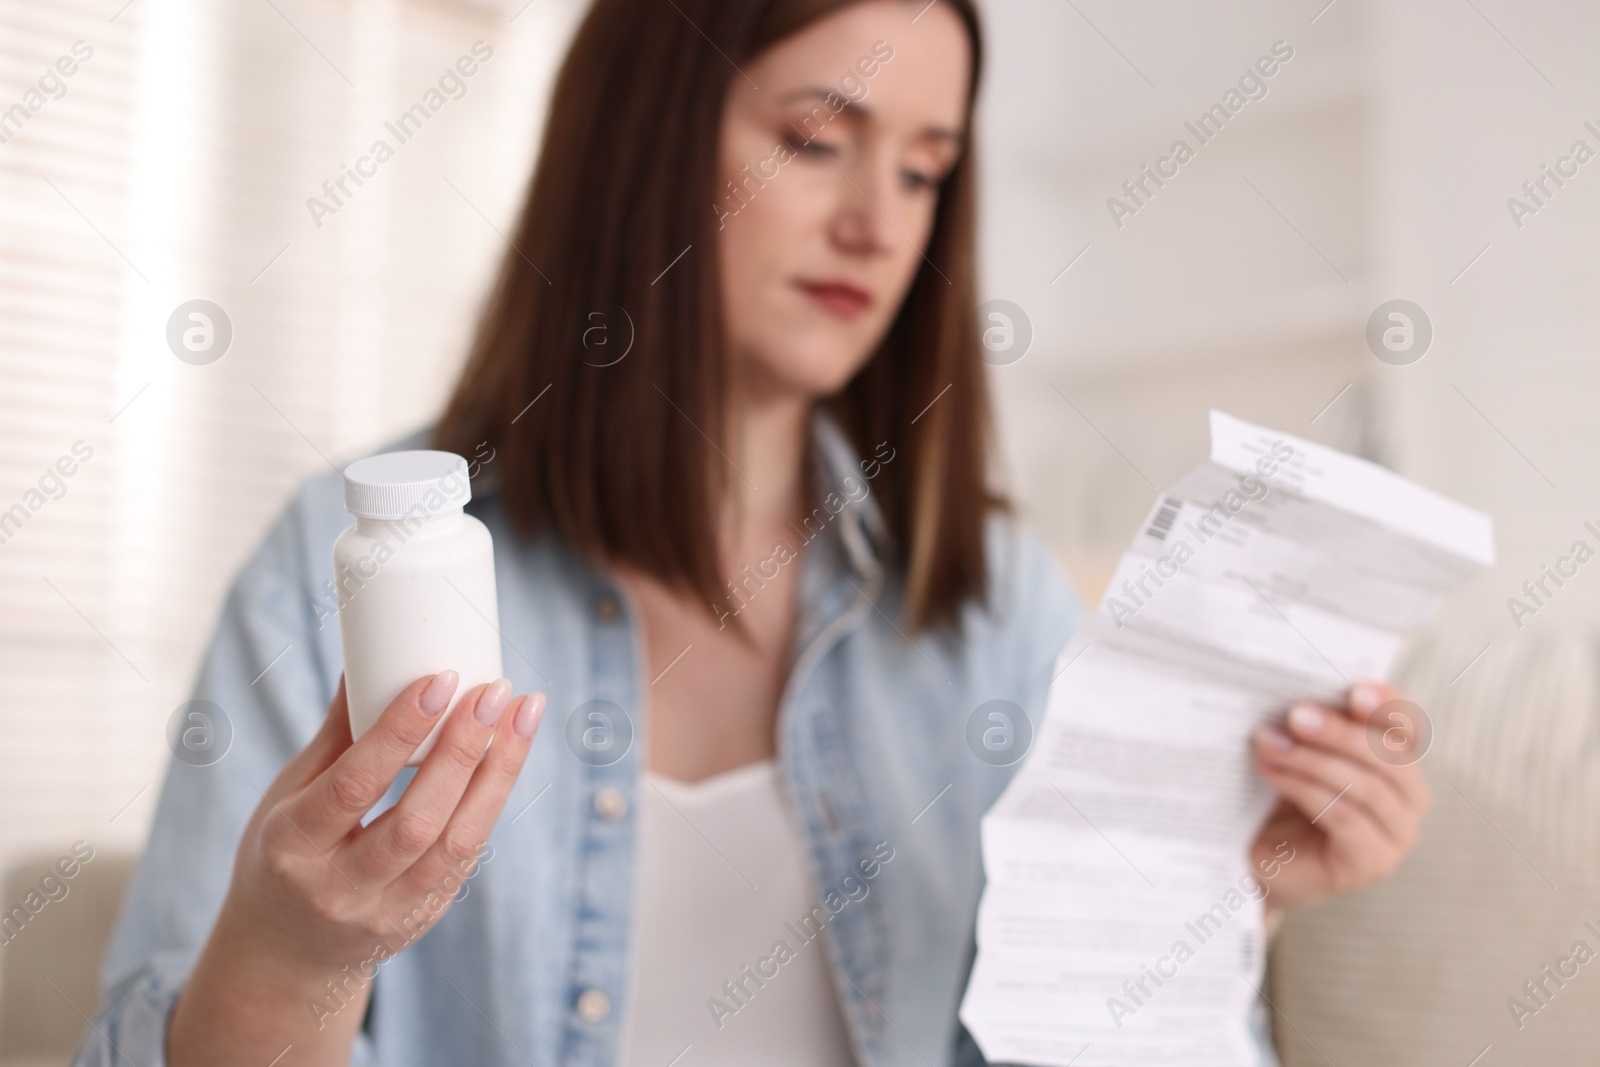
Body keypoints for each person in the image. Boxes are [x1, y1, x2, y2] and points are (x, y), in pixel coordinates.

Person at [76, 1, 1429, 1064]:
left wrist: (1222, 897)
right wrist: (297, 951)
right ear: (648, 143)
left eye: (924, 169)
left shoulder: (995, 601)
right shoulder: (352, 564)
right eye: (816, 136)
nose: (876, 221)